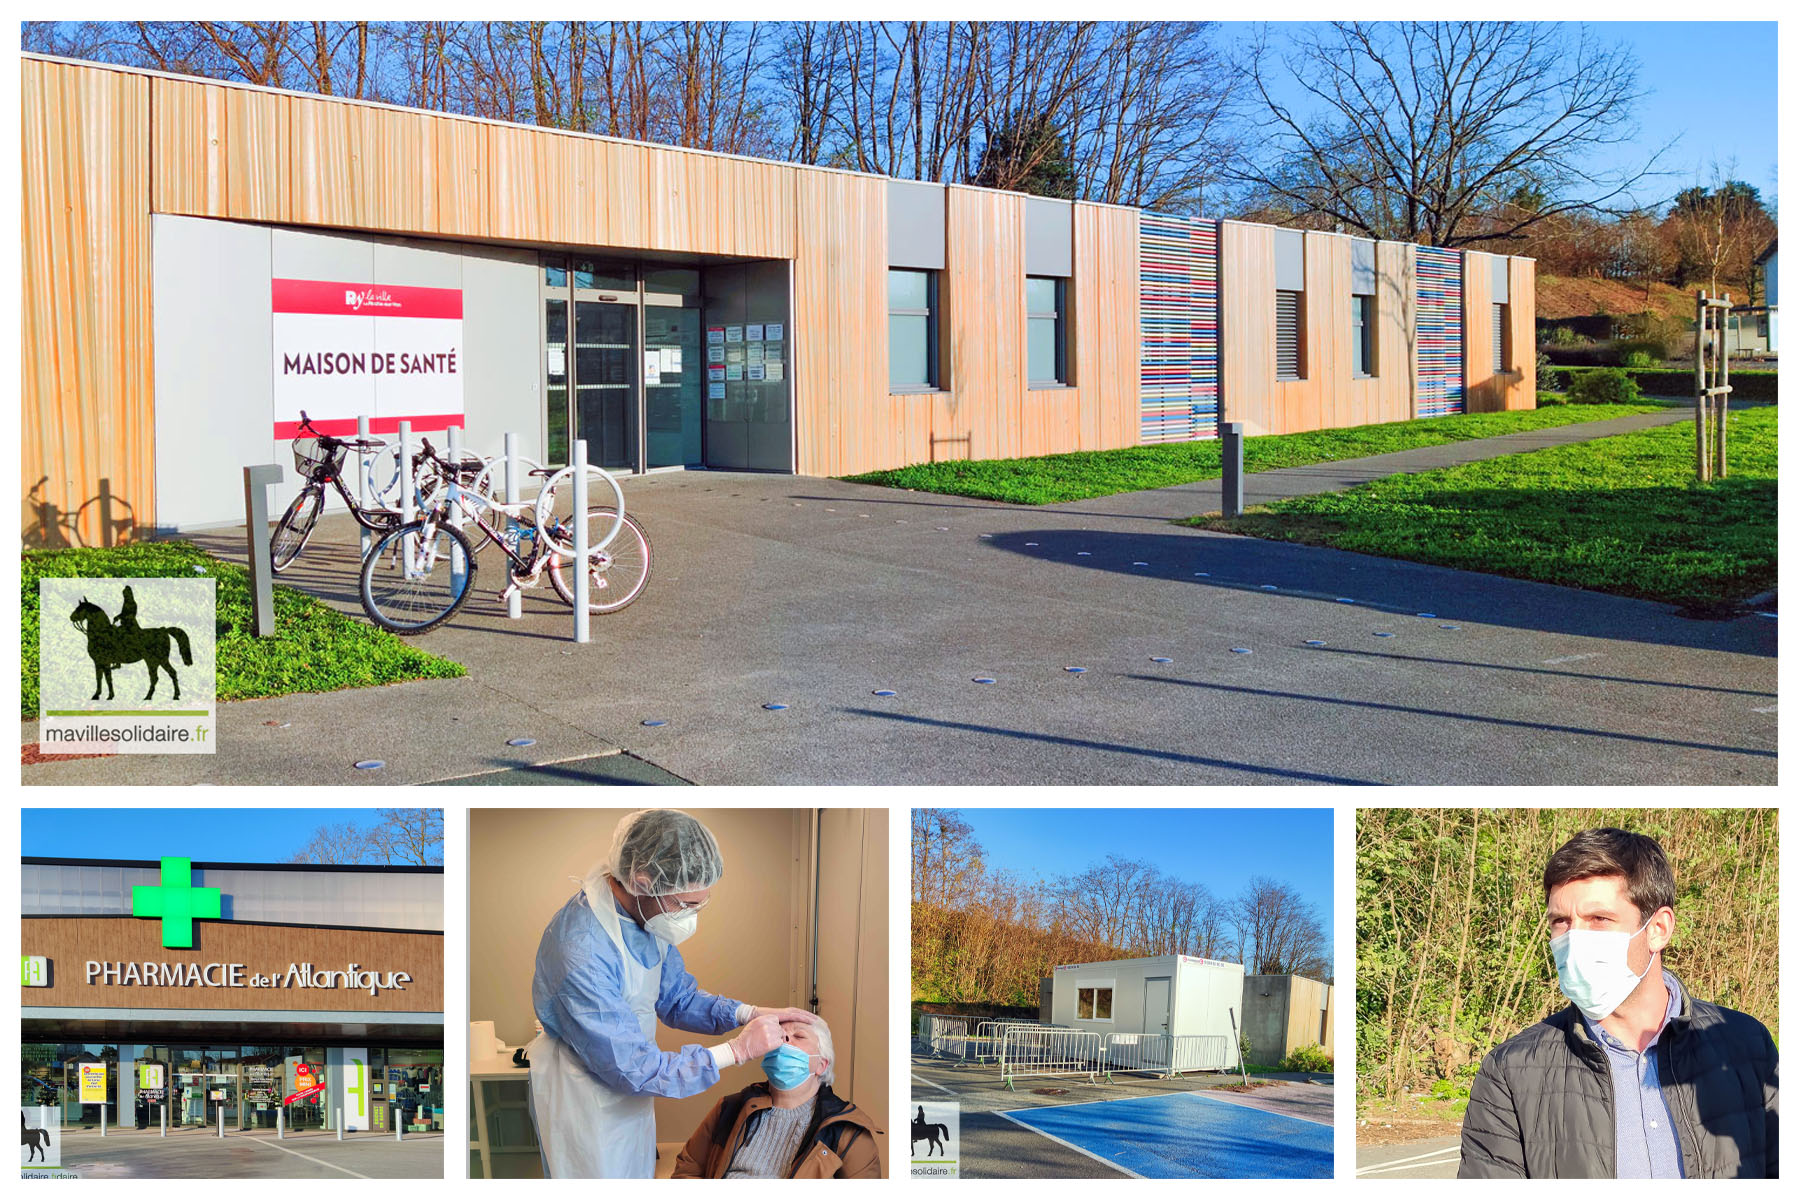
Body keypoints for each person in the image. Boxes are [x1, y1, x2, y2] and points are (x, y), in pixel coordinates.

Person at [1459, 828, 1778, 1179]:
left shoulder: (1746, 1045)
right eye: (1560, 921)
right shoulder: (1511, 1073)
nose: (1574, 939)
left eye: (1599, 919)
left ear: (1658, 928)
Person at [528, 809, 820, 1178]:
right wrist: (737, 1050)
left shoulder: (643, 917)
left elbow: (677, 998)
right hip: (584, 1099)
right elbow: (633, 1067)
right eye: (686, 905)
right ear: (642, 880)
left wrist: (747, 1013)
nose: (692, 916)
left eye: (701, 903)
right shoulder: (581, 950)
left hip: (629, 1093)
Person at [673, 1016, 882, 1178]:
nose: (785, 1039)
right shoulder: (730, 1108)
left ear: (821, 1065)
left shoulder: (848, 1132)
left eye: (799, 1036)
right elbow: (687, 1170)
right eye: (780, 1035)